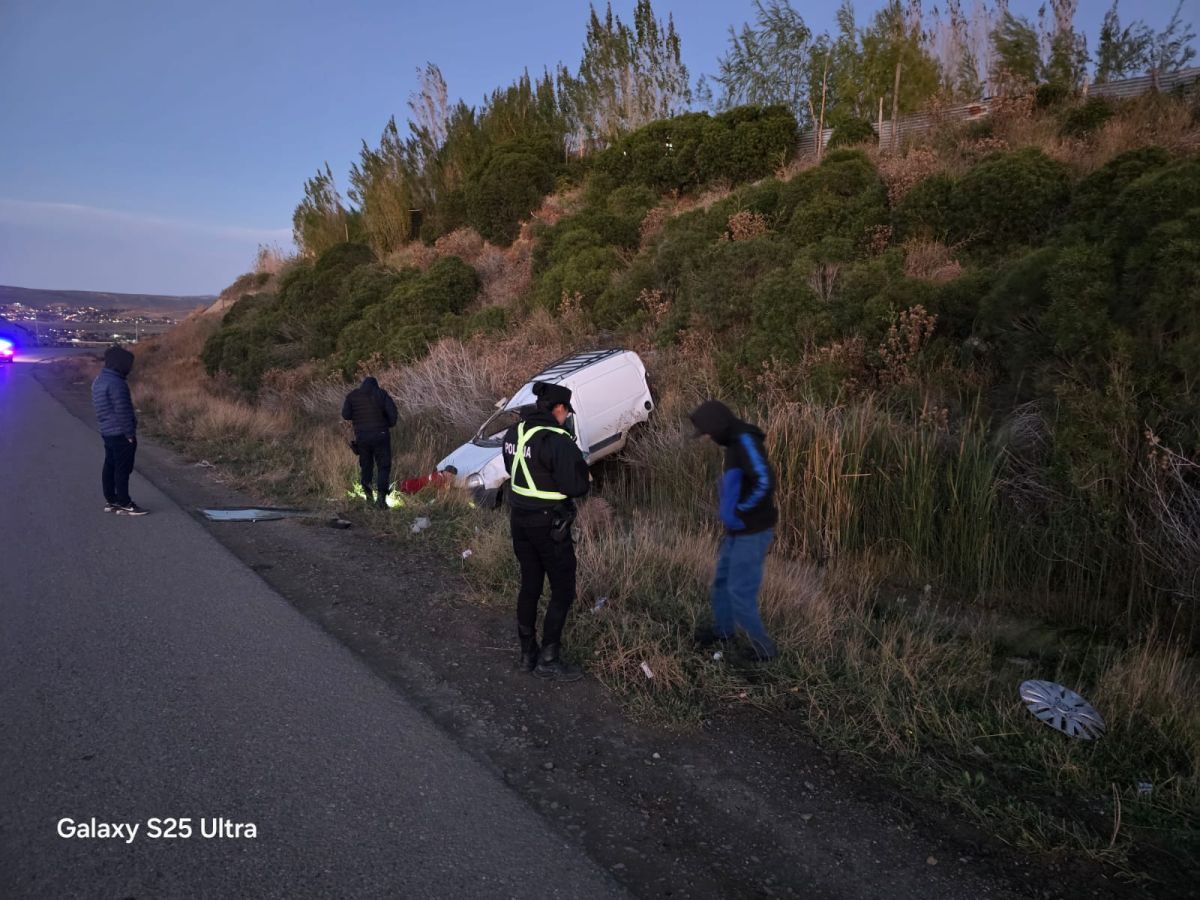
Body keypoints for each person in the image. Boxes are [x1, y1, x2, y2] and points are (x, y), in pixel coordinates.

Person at [501, 381, 591, 681]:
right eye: (566, 412)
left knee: (530, 584)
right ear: (559, 409)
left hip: (520, 521)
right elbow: (576, 486)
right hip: (550, 525)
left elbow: (510, 467)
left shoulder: (514, 432)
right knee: (563, 589)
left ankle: (528, 654)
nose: (566, 418)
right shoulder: (558, 440)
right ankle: (549, 659)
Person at [689, 399, 778, 661]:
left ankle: (764, 651)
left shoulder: (746, 441)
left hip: (753, 530)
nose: (708, 438)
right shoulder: (733, 443)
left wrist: (741, 510)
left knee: (740, 590)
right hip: (737, 530)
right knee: (722, 582)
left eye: (708, 433)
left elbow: (764, 480)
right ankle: (724, 631)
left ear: (719, 426)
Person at [92, 345, 148, 516]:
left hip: (107, 431)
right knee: (123, 469)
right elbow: (123, 411)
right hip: (120, 433)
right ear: (120, 364)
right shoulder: (117, 383)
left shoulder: (100, 380)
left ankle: (112, 500)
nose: (129, 368)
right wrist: (130, 434)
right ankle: (125, 502)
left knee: (110, 465)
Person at [341, 376, 399, 509]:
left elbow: (345, 415)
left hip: (362, 437)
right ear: (376, 385)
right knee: (383, 466)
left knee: (366, 466)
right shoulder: (381, 394)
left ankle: (368, 499)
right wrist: (387, 424)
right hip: (381, 435)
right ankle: (381, 500)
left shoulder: (352, 396)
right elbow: (393, 414)